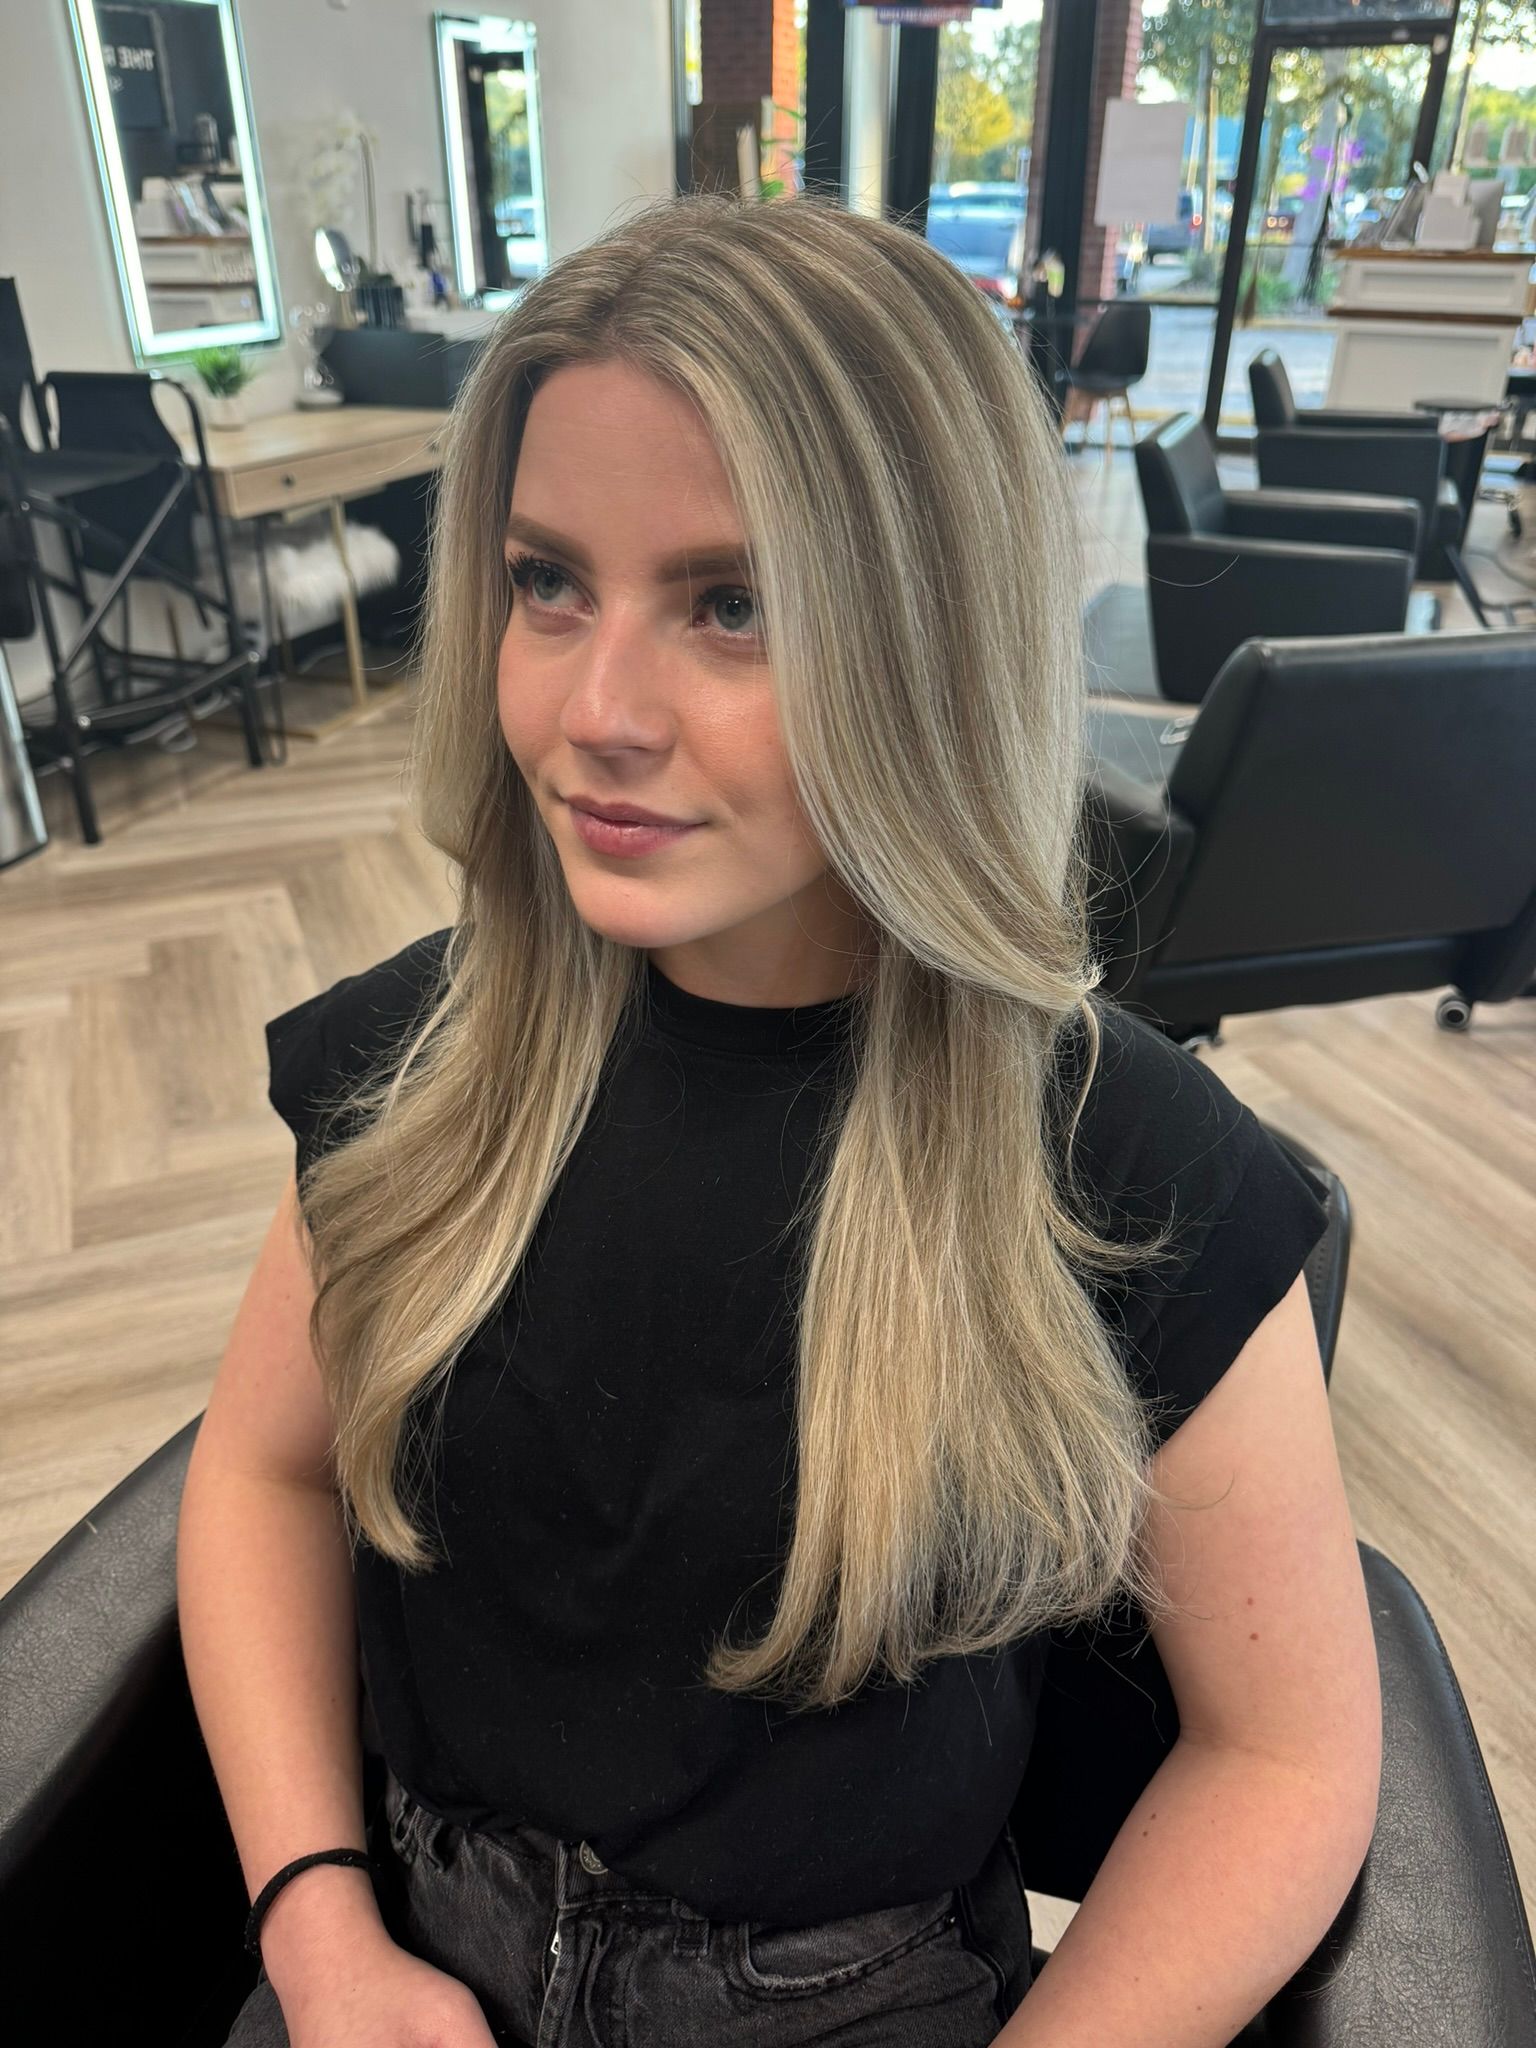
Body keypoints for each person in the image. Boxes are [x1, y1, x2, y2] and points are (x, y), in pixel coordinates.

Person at [179, 191, 1381, 2048]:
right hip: (405, 1962)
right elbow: (259, 1479)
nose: (595, 710)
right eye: (545, 579)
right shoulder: (412, 1077)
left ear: (929, 638)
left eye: (731, 605)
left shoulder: (1122, 1175)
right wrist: (323, 1932)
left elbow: (1286, 1755)